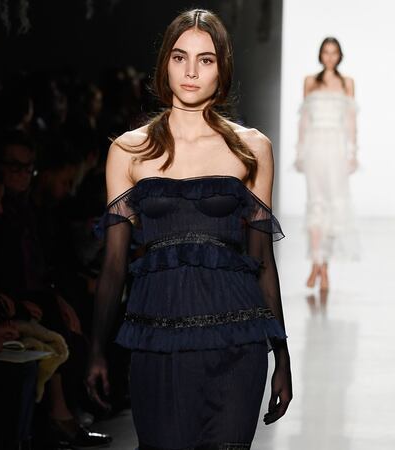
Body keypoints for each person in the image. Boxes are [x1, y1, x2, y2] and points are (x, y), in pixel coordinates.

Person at [84, 10, 292, 448]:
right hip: (158, 340)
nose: (191, 71)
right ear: (165, 64)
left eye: (206, 59)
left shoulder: (252, 148)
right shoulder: (129, 150)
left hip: (237, 340)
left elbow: (262, 261)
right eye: (180, 57)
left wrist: (282, 355)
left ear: (222, 68)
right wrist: (96, 351)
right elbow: (114, 264)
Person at [295, 37, 359, 291]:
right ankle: (316, 263)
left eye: (334, 52)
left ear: (339, 55)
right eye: (326, 52)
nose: (330, 56)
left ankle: (325, 266)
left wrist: (352, 152)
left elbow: (351, 120)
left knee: (333, 207)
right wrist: (299, 152)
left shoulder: (347, 83)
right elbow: (304, 119)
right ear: (320, 54)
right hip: (314, 147)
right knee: (315, 204)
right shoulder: (310, 81)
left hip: (335, 149)